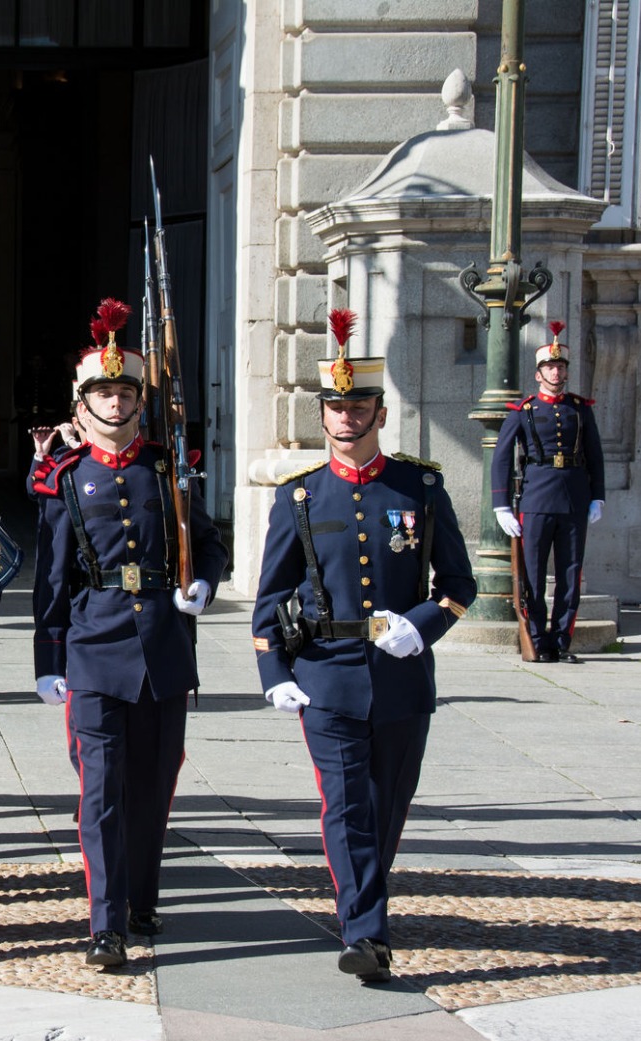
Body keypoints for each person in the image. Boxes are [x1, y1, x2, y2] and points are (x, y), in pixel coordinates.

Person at [251, 308, 476, 985]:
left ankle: (363, 905)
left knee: (385, 809)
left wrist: (423, 624)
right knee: (345, 805)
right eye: (335, 408)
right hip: (327, 674)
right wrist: (273, 670)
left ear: (379, 412)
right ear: (322, 417)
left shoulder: (419, 487)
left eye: (358, 406)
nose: (346, 417)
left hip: (402, 675)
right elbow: (268, 596)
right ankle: (365, 934)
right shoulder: (299, 498)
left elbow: (460, 583)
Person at [31, 298, 228, 969]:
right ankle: (105, 922)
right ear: (80, 403)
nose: (113, 403)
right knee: (101, 792)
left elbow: (206, 543)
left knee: (152, 788)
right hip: (92, 647)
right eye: (101, 392)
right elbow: (51, 580)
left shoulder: (166, 469)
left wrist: (203, 581)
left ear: (139, 399)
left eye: (123, 391)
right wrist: (47, 656)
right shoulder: (66, 477)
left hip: (163, 650)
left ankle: (142, 899)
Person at [491, 320, 605, 663]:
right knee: (533, 575)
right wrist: (501, 506)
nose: (556, 372)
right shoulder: (523, 410)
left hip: (574, 496)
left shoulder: (580, 409)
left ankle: (561, 640)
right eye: (549, 367)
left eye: (560, 367)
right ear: (538, 373)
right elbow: (501, 457)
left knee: (571, 573)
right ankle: (538, 639)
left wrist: (598, 495)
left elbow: (595, 454)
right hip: (536, 496)